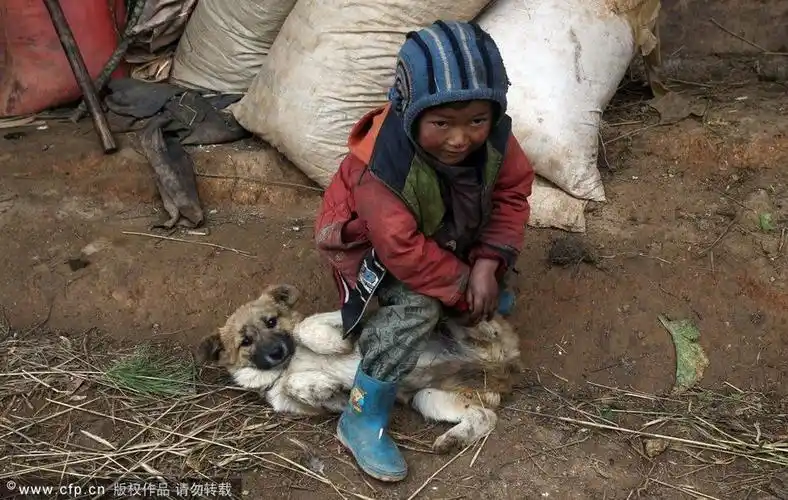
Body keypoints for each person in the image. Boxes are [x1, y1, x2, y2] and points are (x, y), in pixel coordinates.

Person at [313, 20, 535, 482]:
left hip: (440, 230)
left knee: (484, 274)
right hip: (371, 248)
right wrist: (462, 286)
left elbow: (512, 195)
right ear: (410, 112)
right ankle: (362, 416)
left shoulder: (498, 140)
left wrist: (488, 263)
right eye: (442, 123)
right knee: (417, 308)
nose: (460, 138)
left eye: (476, 121)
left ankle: (468, 290)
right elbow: (401, 249)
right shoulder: (383, 168)